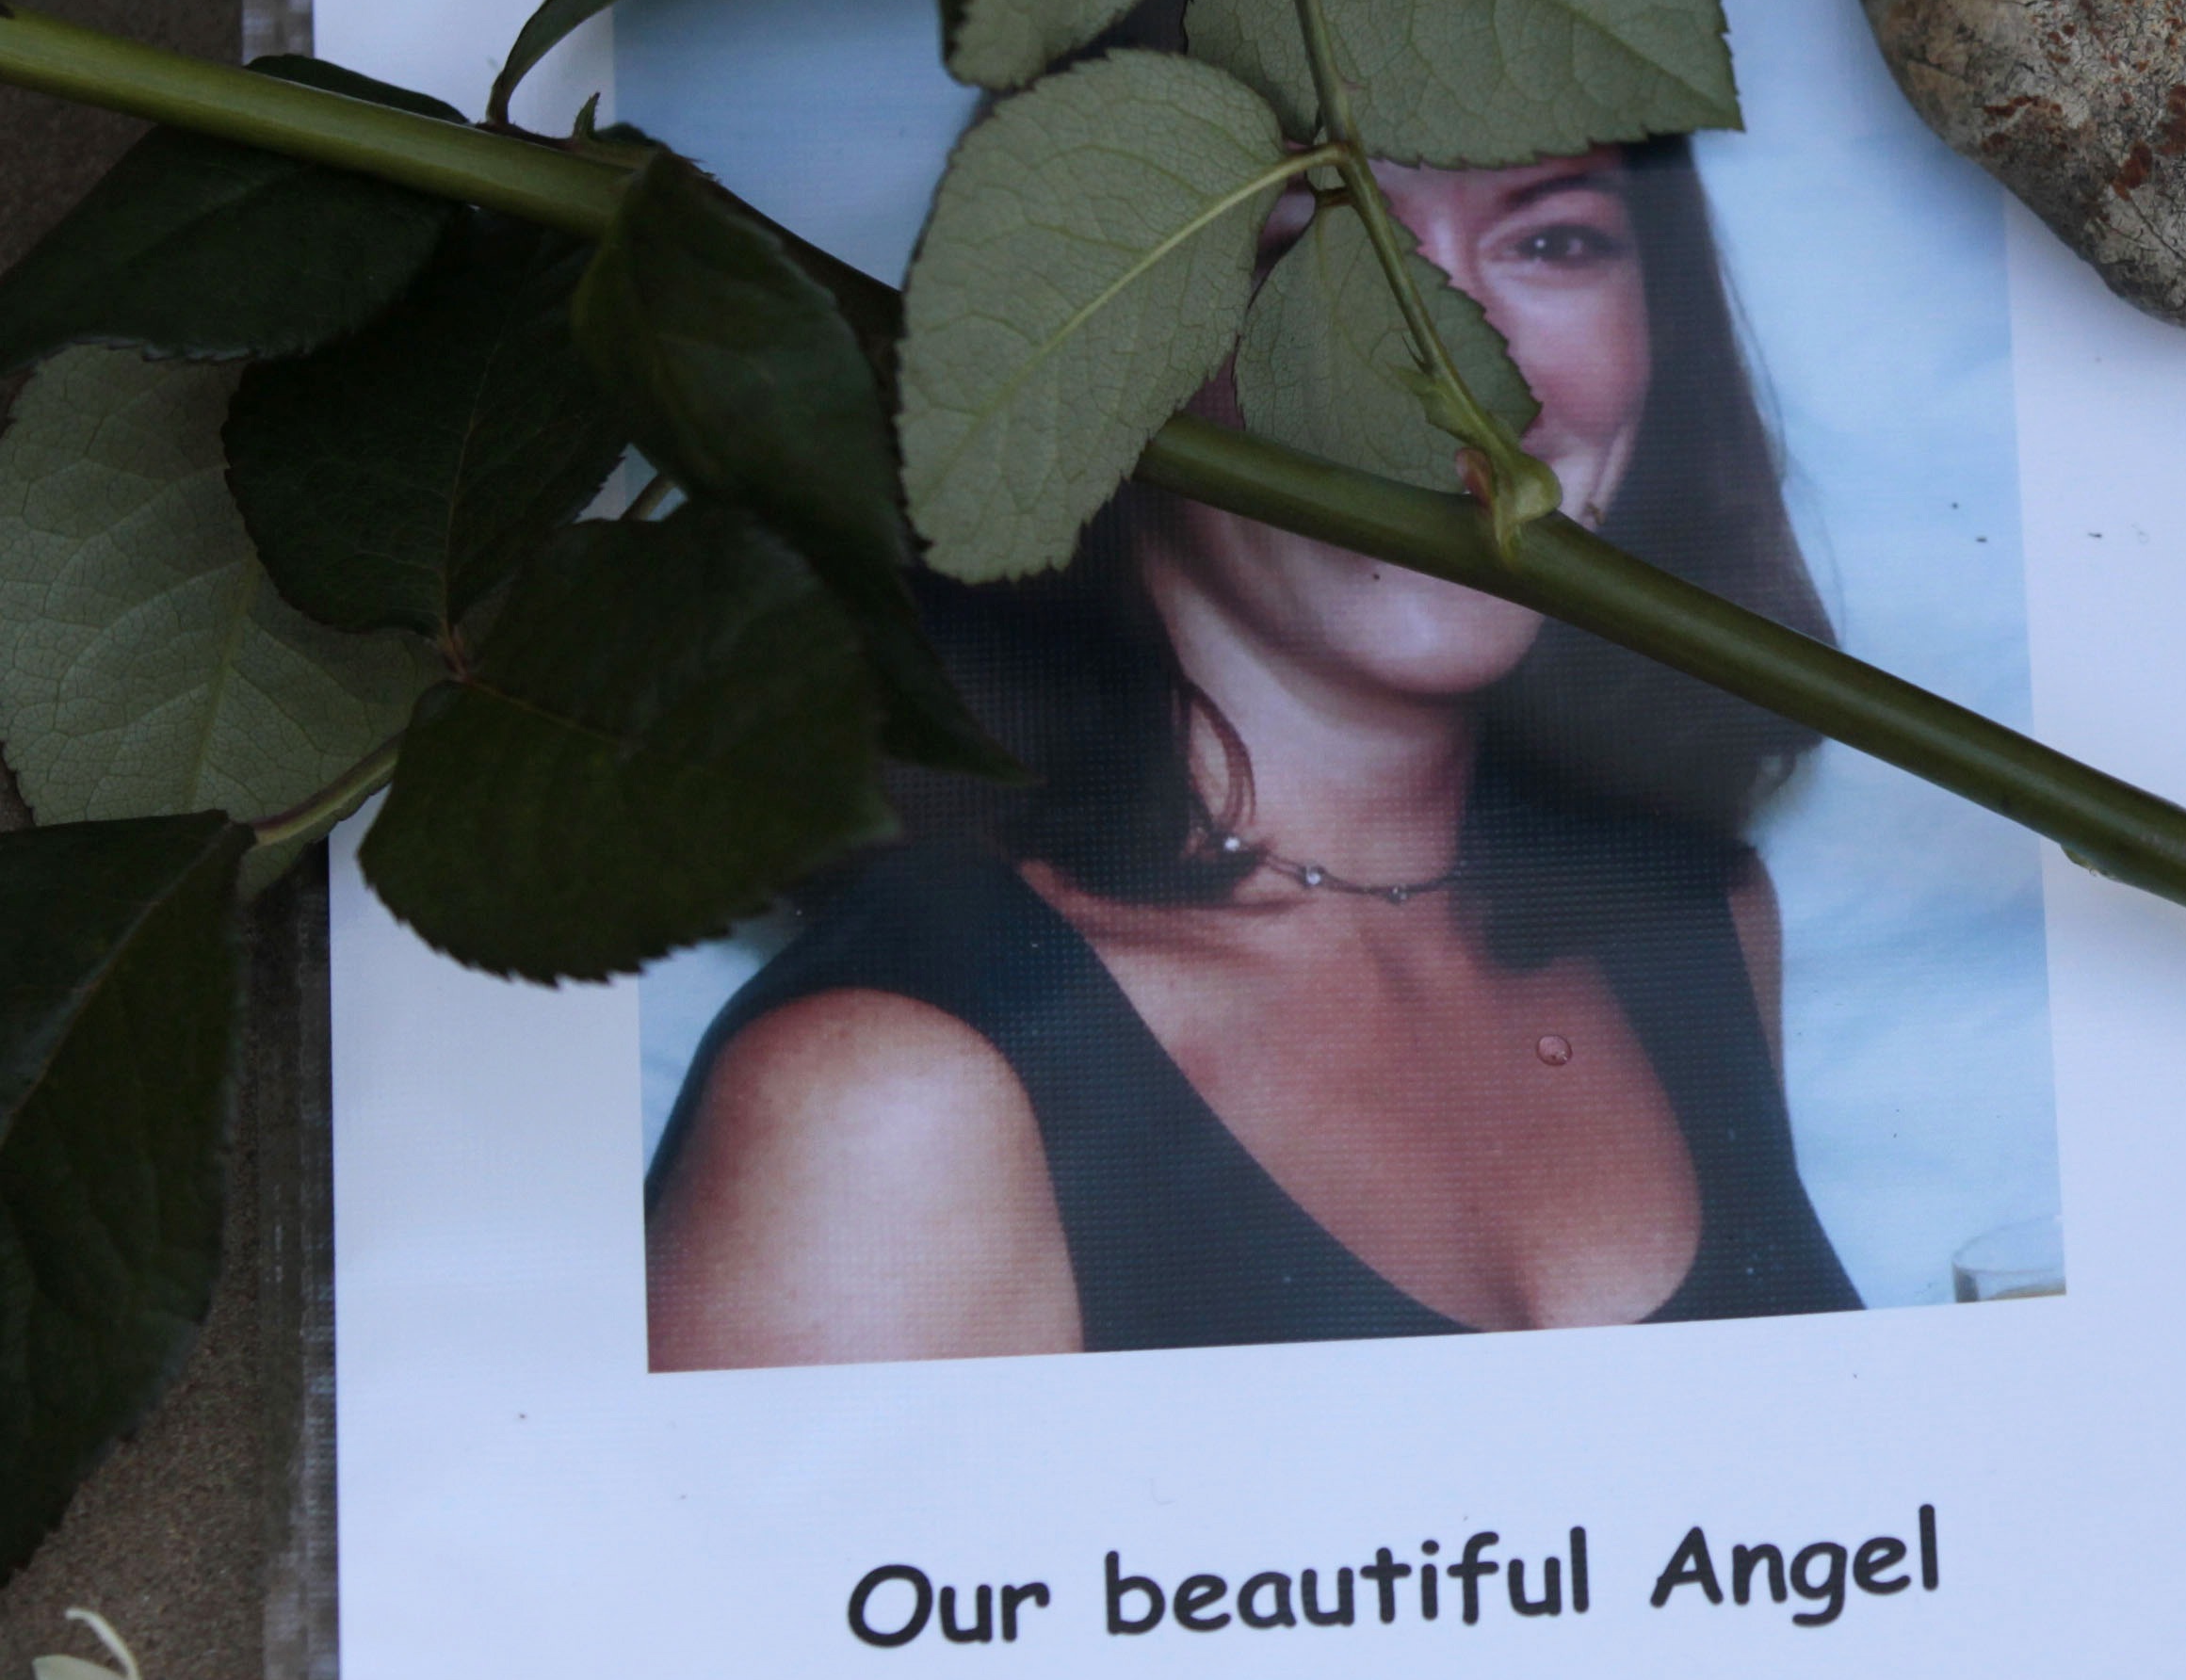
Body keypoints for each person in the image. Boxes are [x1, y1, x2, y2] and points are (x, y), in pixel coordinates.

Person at [644, 142, 1860, 1366]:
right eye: (1311, 247)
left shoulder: (1698, 920)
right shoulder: (881, 1103)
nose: (1458, 373)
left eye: (1552, 242)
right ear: (1094, 347)